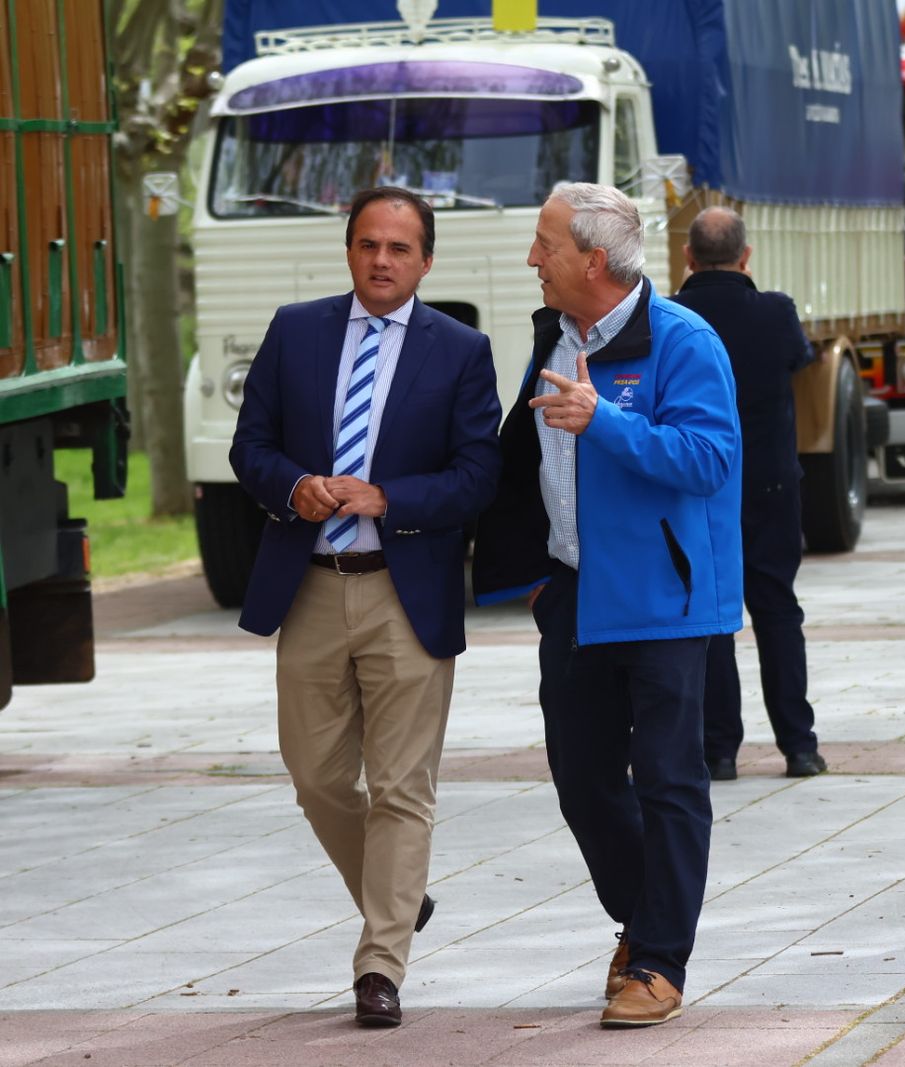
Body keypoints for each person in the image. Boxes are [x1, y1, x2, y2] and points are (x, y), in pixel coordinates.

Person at [229, 187, 503, 1027]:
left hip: (403, 589)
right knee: (315, 776)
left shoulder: (460, 350)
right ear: (348, 251)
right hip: (308, 584)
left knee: (401, 787)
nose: (381, 260)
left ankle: (381, 963)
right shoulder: (295, 330)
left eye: (399, 248)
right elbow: (252, 448)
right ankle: (399, 889)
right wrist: (295, 486)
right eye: (367, 245)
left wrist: (390, 496)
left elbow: (478, 476)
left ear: (426, 260)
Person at [472, 182, 742, 1028]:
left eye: (544, 244)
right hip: (575, 595)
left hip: (666, 600)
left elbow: (709, 460)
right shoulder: (551, 335)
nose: (530, 260)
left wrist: (606, 422)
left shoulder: (684, 340)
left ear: (593, 259)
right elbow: (532, 461)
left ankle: (659, 958)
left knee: (668, 781)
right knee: (583, 780)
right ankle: (644, 913)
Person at [670, 206, 826, 782]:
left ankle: (719, 750)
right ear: (746, 255)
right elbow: (798, 361)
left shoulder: (674, 317)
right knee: (778, 610)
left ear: (688, 256)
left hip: (705, 491)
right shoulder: (775, 311)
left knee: (714, 618)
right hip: (772, 485)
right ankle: (799, 746)